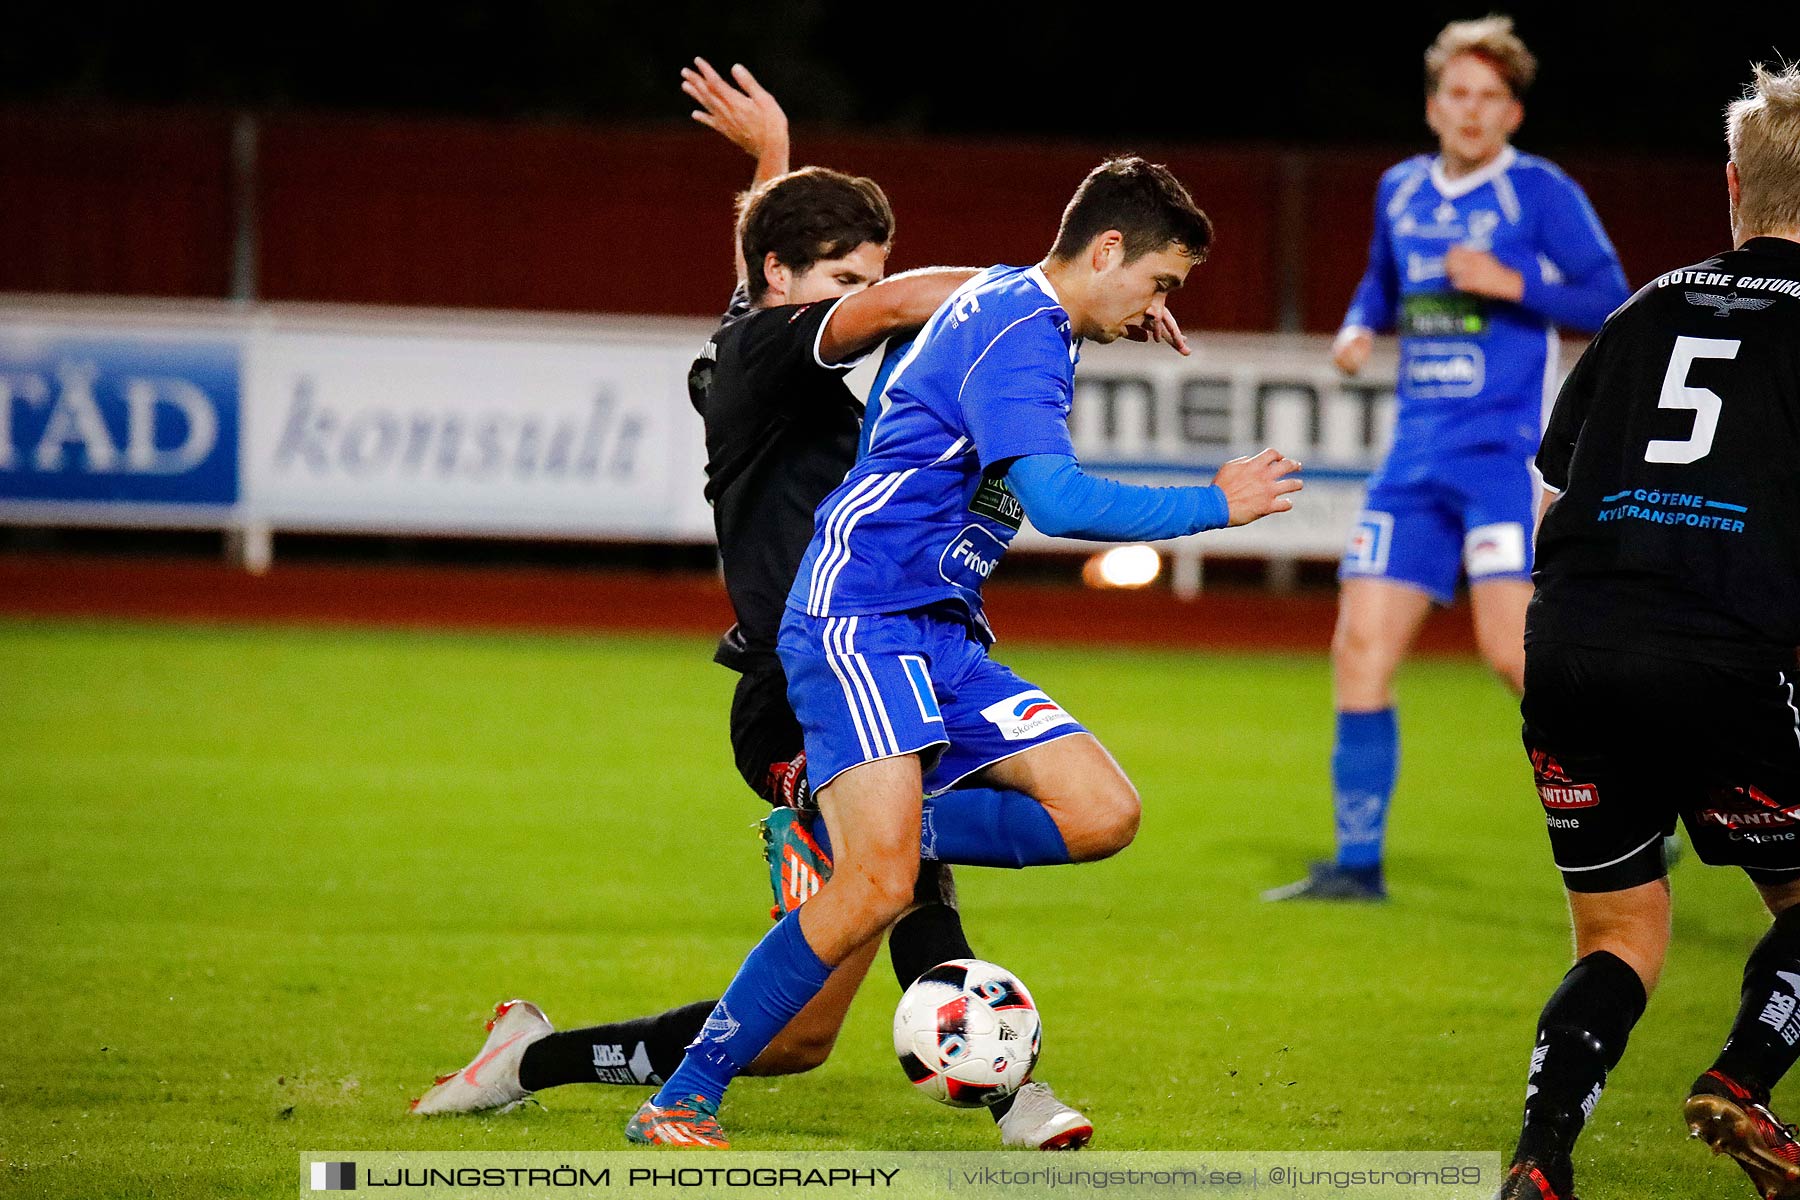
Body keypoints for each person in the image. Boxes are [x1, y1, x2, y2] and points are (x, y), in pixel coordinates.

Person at [409, 59, 1099, 1149]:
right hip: (793, 685)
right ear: (787, 279)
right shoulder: (771, 353)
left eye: (866, 270)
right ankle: (1017, 1104)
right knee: (908, 870)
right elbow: (888, 301)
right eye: (843, 276)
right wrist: (1057, 294)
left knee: (801, 1038)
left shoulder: (770, 332)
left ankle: (531, 1057)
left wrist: (773, 163)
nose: (864, 296)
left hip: (875, 654)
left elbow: (769, 269)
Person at [623, 155, 1304, 1147]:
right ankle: (685, 1094)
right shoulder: (1022, 330)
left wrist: (1110, 312)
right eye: (1159, 280)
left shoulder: (1022, 310)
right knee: (876, 889)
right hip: (860, 618)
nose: (1160, 304)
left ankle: (866, 827)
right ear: (1105, 249)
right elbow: (1062, 504)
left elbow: (959, 303)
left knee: (1101, 811)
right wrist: (1218, 503)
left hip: (938, 627)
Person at [1491, 61, 1800, 1200]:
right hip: (1724, 656)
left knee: (1619, 932)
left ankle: (1542, 1157)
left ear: (1732, 184)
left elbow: (1554, 494)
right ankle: (1745, 1078)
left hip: (1571, 647)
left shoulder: (1642, 308)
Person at [1265, 16, 1630, 903]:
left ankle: (1632, 815)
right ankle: (1357, 868)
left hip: (1501, 458)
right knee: (1358, 650)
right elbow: (1383, 283)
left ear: (1513, 112)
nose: (1472, 111)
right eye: (1457, 94)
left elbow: (1614, 296)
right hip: (1414, 461)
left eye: (1490, 97)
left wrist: (1517, 284)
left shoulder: (1540, 192)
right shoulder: (1401, 189)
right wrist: (1359, 325)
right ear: (1434, 108)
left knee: (1512, 654)